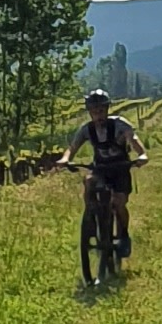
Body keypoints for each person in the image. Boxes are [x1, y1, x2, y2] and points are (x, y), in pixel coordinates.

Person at [62, 90, 146, 264]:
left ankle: (123, 234)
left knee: (118, 203)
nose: (98, 115)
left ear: (107, 110)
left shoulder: (120, 125)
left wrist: (141, 155)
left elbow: (133, 139)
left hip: (120, 168)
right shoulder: (87, 129)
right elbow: (73, 147)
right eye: (94, 111)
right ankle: (91, 216)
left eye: (101, 110)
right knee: (88, 181)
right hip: (101, 169)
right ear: (90, 112)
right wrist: (65, 159)